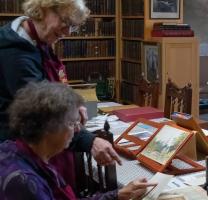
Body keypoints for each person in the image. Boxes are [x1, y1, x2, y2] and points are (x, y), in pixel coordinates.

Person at [0, 0, 120, 188]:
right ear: (45, 9)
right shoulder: (16, 53)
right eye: (66, 22)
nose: (67, 33)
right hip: (23, 153)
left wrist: (73, 102)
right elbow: (44, 114)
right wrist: (90, 141)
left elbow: (51, 84)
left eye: (73, 26)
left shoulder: (36, 35)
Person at [0, 82, 157, 199]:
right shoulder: (24, 182)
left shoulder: (16, 150)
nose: (77, 130)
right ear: (49, 128)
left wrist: (119, 194)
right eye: (72, 123)